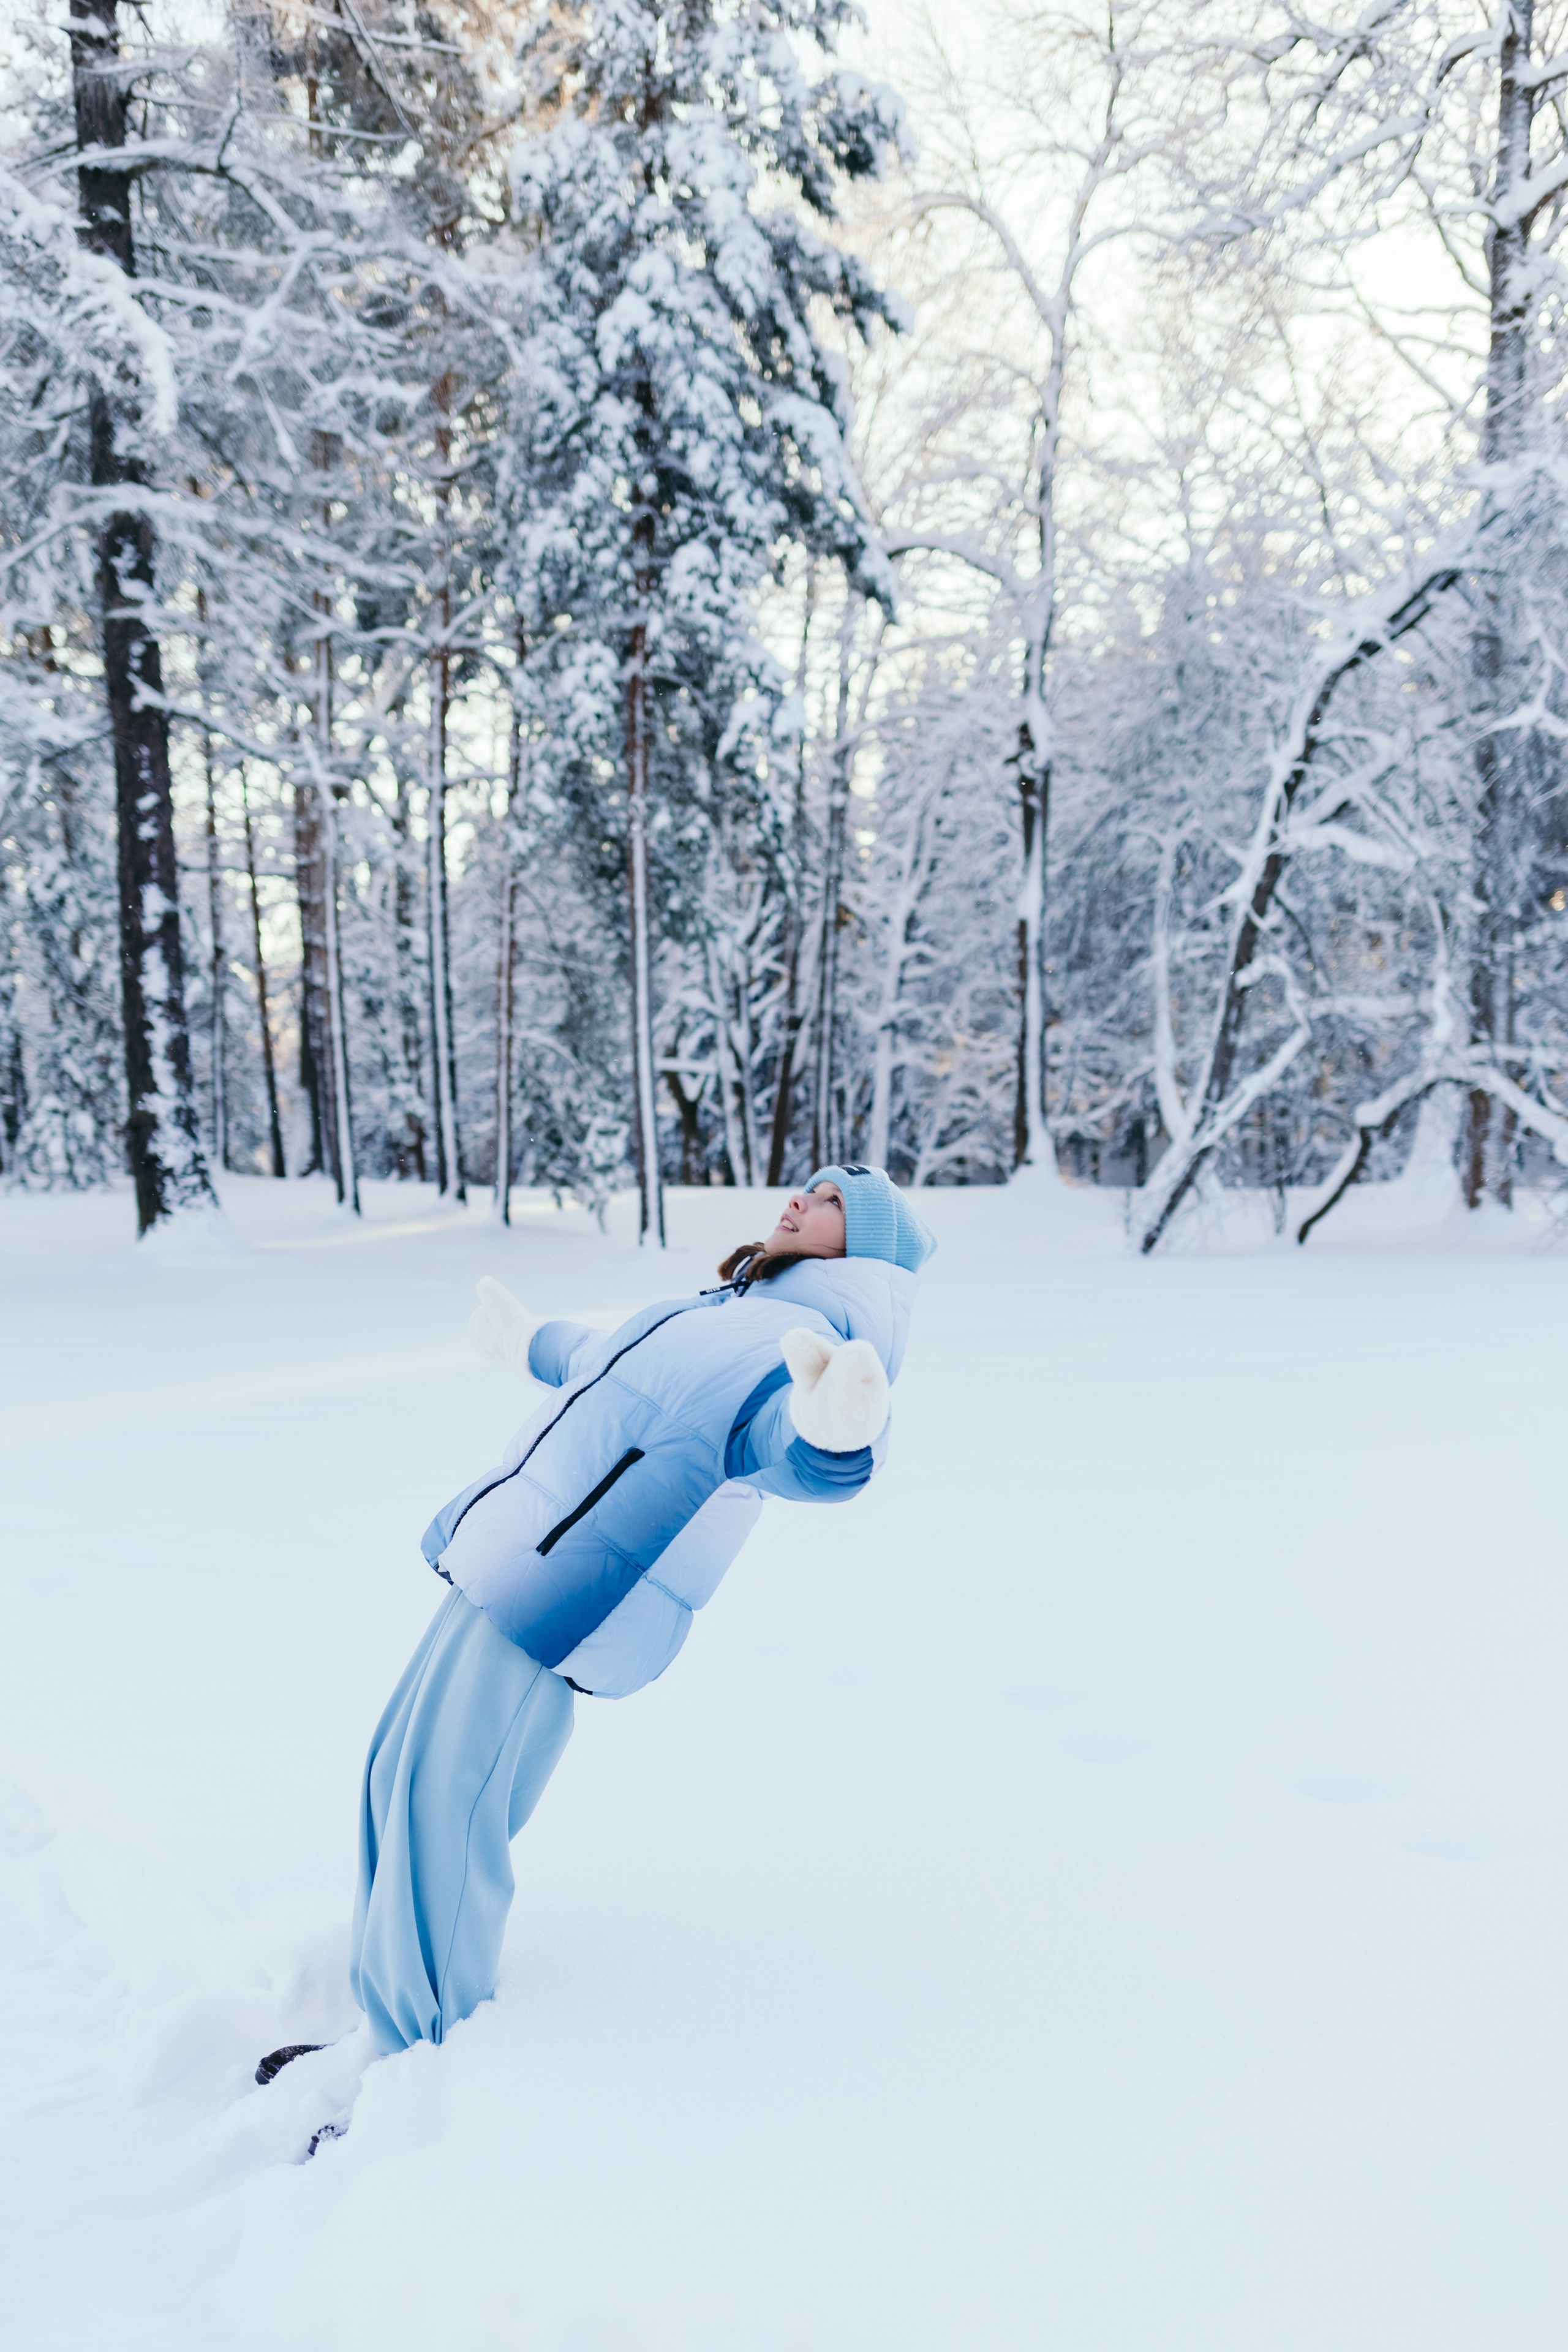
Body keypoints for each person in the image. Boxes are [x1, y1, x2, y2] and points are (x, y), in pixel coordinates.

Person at [258, 1165, 934, 2081]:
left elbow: (797, 1447)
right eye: (804, 1188)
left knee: (448, 1803)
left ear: (866, 1246)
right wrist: (526, 1340)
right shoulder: (737, 1306)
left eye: (829, 1203)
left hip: (576, 1583)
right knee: (396, 1771)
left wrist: (833, 1434)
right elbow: (608, 1359)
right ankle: (383, 2011)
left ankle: (413, 2054)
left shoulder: (813, 1342)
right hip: (514, 1546)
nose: (797, 1201)